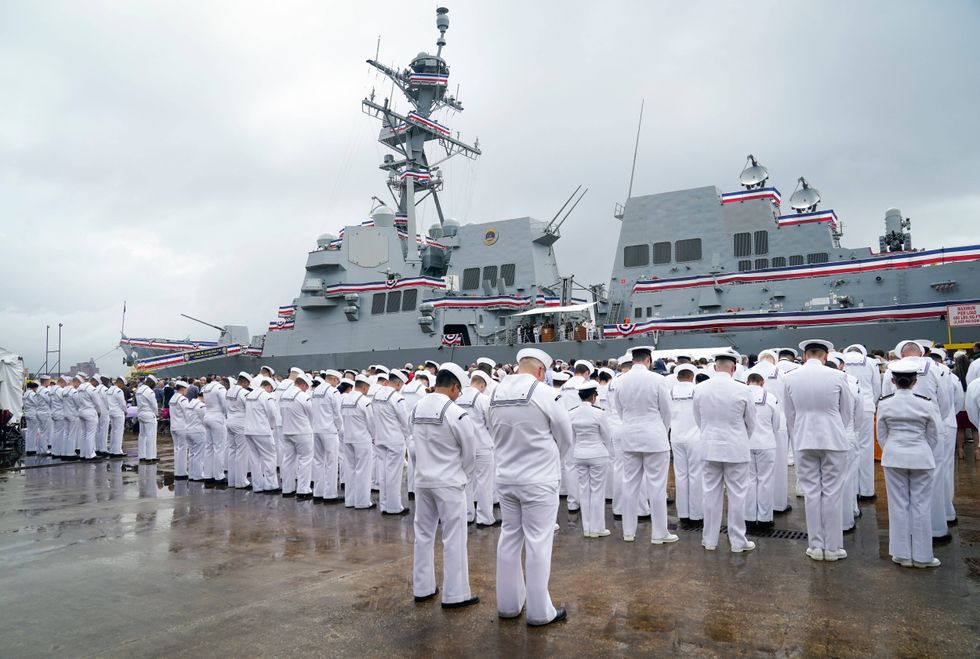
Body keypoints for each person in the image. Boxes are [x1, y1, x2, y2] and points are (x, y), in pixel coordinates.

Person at [487, 347, 571, 627]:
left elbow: (492, 430)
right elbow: (565, 437)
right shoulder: (546, 394)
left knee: (509, 537)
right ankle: (539, 612)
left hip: (506, 477)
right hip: (539, 480)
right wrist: (551, 459)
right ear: (541, 371)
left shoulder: (495, 395)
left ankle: (508, 605)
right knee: (538, 543)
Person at [410, 362, 480, 609]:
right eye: (459, 391)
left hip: (422, 481)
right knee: (454, 538)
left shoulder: (417, 407)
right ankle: (455, 594)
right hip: (449, 482)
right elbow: (470, 451)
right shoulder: (455, 412)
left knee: (423, 535)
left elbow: (413, 442)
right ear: (453, 387)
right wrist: (463, 474)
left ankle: (422, 588)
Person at [782, 340, 855, 562]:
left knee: (812, 494)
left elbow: (789, 413)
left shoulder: (790, 377)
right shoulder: (838, 376)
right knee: (832, 493)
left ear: (805, 356)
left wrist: (801, 432)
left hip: (804, 439)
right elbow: (847, 411)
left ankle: (815, 546)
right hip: (833, 438)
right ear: (825, 357)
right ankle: (832, 548)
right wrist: (834, 428)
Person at [877, 359, 941, 568]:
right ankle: (923, 557)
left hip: (894, 456)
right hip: (921, 456)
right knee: (921, 505)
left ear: (893, 381)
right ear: (915, 382)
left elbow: (881, 435)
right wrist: (922, 450)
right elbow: (933, 435)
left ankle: (901, 554)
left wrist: (893, 450)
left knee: (898, 505)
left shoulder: (885, 403)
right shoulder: (926, 402)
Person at [610, 346, 675, 544]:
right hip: (655, 437)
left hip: (629, 437)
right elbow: (667, 411)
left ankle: (628, 532)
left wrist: (631, 426)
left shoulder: (619, 381)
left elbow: (619, 410)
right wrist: (660, 431)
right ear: (649, 359)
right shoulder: (658, 380)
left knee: (630, 485)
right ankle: (659, 533)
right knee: (656, 487)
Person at [694, 351, 757, 553]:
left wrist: (709, 435)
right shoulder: (743, 389)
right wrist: (739, 437)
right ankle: (738, 541)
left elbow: (698, 419)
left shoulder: (700, 389)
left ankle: (709, 539)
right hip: (736, 448)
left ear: (714, 368)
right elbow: (751, 422)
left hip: (709, 446)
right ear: (734, 368)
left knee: (710, 494)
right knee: (737, 495)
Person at [569, 380, 613, 538]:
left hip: (579, 454)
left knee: (583, 490)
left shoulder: (572, 413)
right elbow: (607, 436)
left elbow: (571, 438)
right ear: (594, 396)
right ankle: (598, 528)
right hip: (598, 454)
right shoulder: (599, 413)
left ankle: (586, 528)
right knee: (597, 492)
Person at [456, 370, 497, 526]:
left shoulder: (457, 398)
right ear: (482, 385)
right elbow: (491, 423)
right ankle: (485, 517)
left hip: (462, 446)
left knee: (465, 481)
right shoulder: (482, 399)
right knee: (484, 483)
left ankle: (467, 514)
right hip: (482, 445)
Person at [842, 344, 881, 500]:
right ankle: (866, 491)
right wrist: (871, 402)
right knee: (866, 447)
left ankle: (849, 491)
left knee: (847, 446)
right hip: (866, 406)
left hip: (845, 406)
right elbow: (876, 387)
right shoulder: (871, 362)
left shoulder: (840, 359)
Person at [744, 372, 780, 532]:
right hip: (766, 443)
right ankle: (765, 519)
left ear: (747, 382)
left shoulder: (741, 395)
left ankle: (749, 518)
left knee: (749, 481)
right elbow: (776, 423)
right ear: (762, 382)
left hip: (746, 443)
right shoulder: (771, 398)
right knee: (765, 481)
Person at [373, 369, 411, 515]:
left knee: (383, 474)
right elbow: (405, 421)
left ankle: (384, 505)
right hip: (394, 441)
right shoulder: (397, 398)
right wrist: (408, 436)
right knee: (394, 475)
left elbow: (372, 418)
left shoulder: (376, 395)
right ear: (399, 383)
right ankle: (394, 507)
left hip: (380, 438)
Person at [669, 364, 702, 529]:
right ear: (692, 376)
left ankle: (683, 514)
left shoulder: (671, 391)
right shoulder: (698, 390)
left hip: (676, 437)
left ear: (677, 377)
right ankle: (696, 515)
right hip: (695, 437)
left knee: (681, 475)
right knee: (696, 475)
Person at [340, 374, 376, 509]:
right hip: (362, 439)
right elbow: (371, 422)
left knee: (350, 470)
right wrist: (374, 437)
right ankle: (362, 502)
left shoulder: (344, 399)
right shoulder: (364, 401)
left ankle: (349, 500)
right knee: (363, 471)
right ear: (365, 388)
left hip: (348, 438)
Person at [280, 373, 315, 499]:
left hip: (286, 431)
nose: (307, 390)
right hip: (302, 432)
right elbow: (312, 415)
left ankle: (287, 489)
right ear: (303, 385)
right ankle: (303, 490)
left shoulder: (283, 395)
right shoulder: (303, 397)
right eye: (306, 387)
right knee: (305, 460)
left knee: (288, 460)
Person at [311, 370, 344, 502]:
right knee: (331, 462)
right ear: (334, 379)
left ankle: (318, 493)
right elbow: (337, 413)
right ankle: (330, 495)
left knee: (318, 461)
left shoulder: (316, 390)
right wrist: (338, 427)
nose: (337, 384)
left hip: (316, 429)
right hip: (329, 430)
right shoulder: (333, 392)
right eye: (337, 381)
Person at [244, 376, 281, 493]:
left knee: (255, 459)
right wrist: (271, 426)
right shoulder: (266, 396)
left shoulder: (249, 395)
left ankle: (257, 486)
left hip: (249, 431)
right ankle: (271, 485)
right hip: (262, 431)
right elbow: (272, 415)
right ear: (269, 387)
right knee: (269, 457)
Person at [201, 375, 229, 482]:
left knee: (209, 447)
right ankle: (219, 476)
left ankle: (208, 475)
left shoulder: (206, 388)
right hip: (217, 417)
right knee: (219, 448)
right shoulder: (220, 388)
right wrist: (227, 414)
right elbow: (224, 404)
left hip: (207, 416)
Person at [225, 373, 250, 489]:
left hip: (229, 421)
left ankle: (232, 480)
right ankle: (241, 482)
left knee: (232, 451)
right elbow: (249, 408)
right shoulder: (244, 392)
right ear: (245, 382)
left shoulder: (229, 391)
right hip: (240, 423)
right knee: (241, 453)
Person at [184, 391, 208, 481]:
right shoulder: (201, 406)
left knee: (191, 454)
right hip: (198, 431)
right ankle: (198, 475)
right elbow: (205, 419)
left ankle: (191, 474)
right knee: (199, 454)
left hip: (188, 430)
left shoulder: (190, 404)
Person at [169, 381, 190, 479]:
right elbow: (188, 413)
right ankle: (182, 472)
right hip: (182, 427)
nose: (187, 391)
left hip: (173, 426)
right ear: (183, 389)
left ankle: (177, 471)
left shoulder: (173, 398)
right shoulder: (182, 399)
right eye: (186, 389)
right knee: (183, 449)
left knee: (176, 449)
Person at [136, 375, 159, 462]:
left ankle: (142, 456)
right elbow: (154, 405)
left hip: (140, 413)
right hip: (149, 414)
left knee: (142, 435)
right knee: (151, 436)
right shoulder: (149, 391)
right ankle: (150, 457)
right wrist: (156, 414)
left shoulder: (139, 389)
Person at [107, 377, 128, 458]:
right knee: (118, 432)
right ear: (120, 383)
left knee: (113, 431)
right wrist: (125, 411)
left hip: (111, 412)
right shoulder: (119, 391)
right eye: (122, 385)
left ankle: (112, 450)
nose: (122, 386)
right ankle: (117, 451)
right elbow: (123, 404)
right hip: (118, 413)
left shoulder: (109, 390)